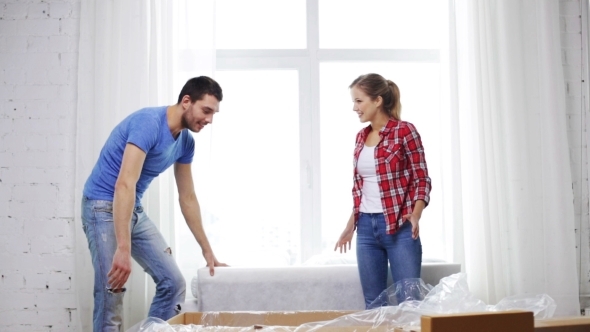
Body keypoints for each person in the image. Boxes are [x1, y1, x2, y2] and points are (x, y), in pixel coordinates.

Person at [81, 76, 228, 331]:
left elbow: (188, 197)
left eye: (213, 114)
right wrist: (123, 249)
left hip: (131, 208)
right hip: (102, 205)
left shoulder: (185, 142)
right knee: (111, 291)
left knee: (173, 283)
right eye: (206, 110)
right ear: (186, 101)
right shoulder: (148, 123)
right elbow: (124, 183)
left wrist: (207, 251)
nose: (209, 120)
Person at [334, 73, 431, 309]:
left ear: (377, 100)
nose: (354, 108)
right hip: (366, 229)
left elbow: (421, 178)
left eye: (359, 101)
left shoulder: (404, 131)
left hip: (400, 227)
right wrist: (351, 225)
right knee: (373, 304)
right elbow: (362, 188)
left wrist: (416, 214)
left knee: (409, 303)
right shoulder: (361, 137)